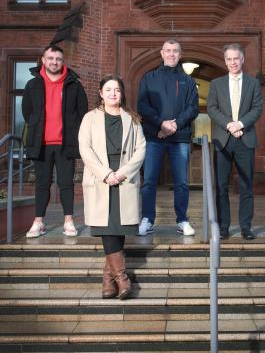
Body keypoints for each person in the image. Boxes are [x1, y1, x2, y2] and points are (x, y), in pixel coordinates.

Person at [78, 75, 146, 299]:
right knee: (107, 227)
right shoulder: (89, 118)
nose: (113, 93)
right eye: (108, 90)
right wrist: (106, 174)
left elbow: (141, 149)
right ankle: (122, 279)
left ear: (122, 93)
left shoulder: (132, 119)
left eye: (116, 89)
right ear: (101, 93)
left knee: (120, 226)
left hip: (124, 176)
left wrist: (122, 173)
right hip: (101, 177)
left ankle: (108, 279)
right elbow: (85, 149)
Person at [22, 44, 88, 238]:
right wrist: (37, 126)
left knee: (67, 183)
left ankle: (68, 221)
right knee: (42, 183)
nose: (54, 62)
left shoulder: (74, 84)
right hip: (41, 144)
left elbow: (82, 111)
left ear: (62, 61)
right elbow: (27, 112)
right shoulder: (32, 84)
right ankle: (38, 222)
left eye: (58, 59)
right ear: (43, 60)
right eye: (50, 58)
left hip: (65, 143)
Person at [137, 39, 199, 236]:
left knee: (181, 182)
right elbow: (143, 106)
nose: (171, 54)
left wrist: (175, 125)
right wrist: (161, 124)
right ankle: (147, 219)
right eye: (168, 51)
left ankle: (182, 220)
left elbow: (193, 108)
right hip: (154, 137)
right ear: (162, 53)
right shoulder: (149, 78)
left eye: (175, 51)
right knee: (149, 180)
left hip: (179, 138)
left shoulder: (188, 81)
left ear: (180, 55)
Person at [207, 43, 263, 240]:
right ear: (225, 61)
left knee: (246, 185)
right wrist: (229, 124)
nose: (233, 62)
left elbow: (257, 108)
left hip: (245, 139)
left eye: (236, 58)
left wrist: (240, 124)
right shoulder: (216, 84)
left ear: (242, 59)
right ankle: (223, 227)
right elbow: (212, 108)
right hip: (223, 140)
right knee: (221, 185)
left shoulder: (253, 83)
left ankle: (246, 227)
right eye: (229, 59)